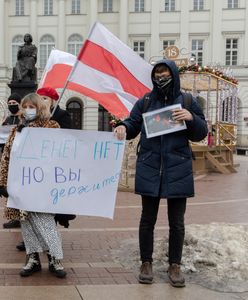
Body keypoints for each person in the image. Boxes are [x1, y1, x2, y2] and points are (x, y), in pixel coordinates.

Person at [114, 59, 208, 287]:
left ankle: (175, 265)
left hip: (178, 166)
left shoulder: (187, 100)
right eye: (158, 74)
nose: (161, 78)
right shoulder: (146, 101)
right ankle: (146, 262)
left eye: (165, 74)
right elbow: (133, 122)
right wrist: (123, 127)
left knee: (177, 222)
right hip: (150, 165)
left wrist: (191, 118)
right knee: (147, 220)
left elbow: (201, 132)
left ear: (173, 75)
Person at [0, 93, 67, 278]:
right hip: (21, 187)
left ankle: (55, 259)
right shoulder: (16, 130)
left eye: (32, 107)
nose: (28, 110)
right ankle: (33, 259)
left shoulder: (51, 127)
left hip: (42, 186)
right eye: (25, 106)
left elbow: (60, 154)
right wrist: (2, 182)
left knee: (45, 223)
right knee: (27, 223)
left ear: (40, 108)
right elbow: (6, 157)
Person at [16, 86, 72, 251]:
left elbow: (68, 138)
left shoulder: (59, 118)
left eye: (45, 99)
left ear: (53, 100)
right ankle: (32, 247)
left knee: (47, 212)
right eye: (40, 99)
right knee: (29, 212)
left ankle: (53, 251)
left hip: (49, 172)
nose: (42, 101)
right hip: (30, 174)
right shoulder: (24, 125)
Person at [1, 93, 22, 229]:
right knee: (11, 190)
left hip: (21, 161)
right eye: (10, 103)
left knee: (21, 190)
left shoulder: (23, 119)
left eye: (15, 103)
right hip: (9, 160)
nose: (12, 105)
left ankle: (23, 217)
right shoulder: (7, 120)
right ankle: (15, 218)